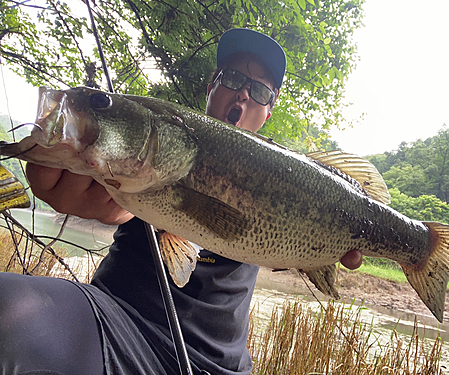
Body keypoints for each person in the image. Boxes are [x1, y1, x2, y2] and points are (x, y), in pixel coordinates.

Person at [0, 29, 363, 375]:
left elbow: (287, 249)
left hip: (222, 365)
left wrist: (320, 251)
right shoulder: (165, 139)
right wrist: (109, 196)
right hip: (118, 327)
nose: (243, 96)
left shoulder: (293, 179)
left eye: (260, 91)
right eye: (233, 79)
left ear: (269, 109)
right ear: (212, 86)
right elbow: (126, 205)